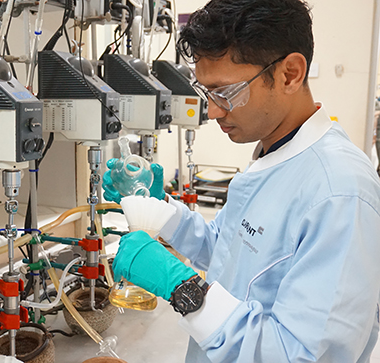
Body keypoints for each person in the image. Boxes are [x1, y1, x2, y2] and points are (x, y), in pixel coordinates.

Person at [102, 0, 380, 362]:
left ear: (290, 74)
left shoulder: (340, 194)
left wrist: (183, 288)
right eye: (207, 93)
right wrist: (158, 210)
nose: (214, 111)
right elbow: (232, 251)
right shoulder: (274, 155)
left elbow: (296, 355)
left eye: (226, 93)